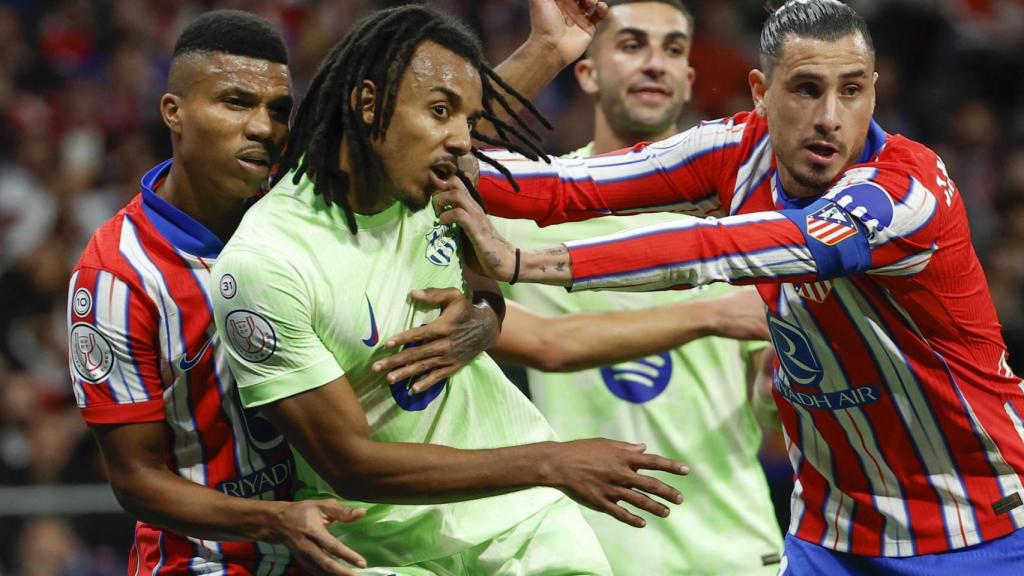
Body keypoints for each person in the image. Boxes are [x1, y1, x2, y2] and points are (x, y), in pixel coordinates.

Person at [439, 0, 1024, 573]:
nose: (830, 116)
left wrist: (522, 262)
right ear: (760, 93)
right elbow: (558, 185)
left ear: (874, 89)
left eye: (851, 91)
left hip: (980, 524)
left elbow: (726, 249)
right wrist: (436, 134)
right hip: (832, 532)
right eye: (805, 89)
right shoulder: (736, 152)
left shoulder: (905, 191)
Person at [210, 4, 685, 575]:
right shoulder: (268, 263)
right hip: (383, 553)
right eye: (441, 113)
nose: (463, 141)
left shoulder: (432, 178)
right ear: (367, 105)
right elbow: (350, 464)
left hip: (522, 524)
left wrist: (487, 311)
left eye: (468, 121)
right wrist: (553, 461)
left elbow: (449, 126)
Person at [66, 12, 373, 575]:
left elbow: (421, 138)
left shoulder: (303, 214)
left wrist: (483, 307)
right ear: (174, 113)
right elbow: (136, 481)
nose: (263, 128)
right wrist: (273, 520)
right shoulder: (116, 274)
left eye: (278, 110)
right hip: (206, 563)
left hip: (341, 550)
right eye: (236, 103)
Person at [488, 1, 784, 573]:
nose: (655, 63)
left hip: (735, 551)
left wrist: (780, 388)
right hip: (591, 554)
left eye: (673, 49)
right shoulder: (529, 211)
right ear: (588, 71)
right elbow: (445, 148)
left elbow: (764, 392)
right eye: (632, 45)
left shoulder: (739, 213)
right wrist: (541, 48)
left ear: (689, 79)